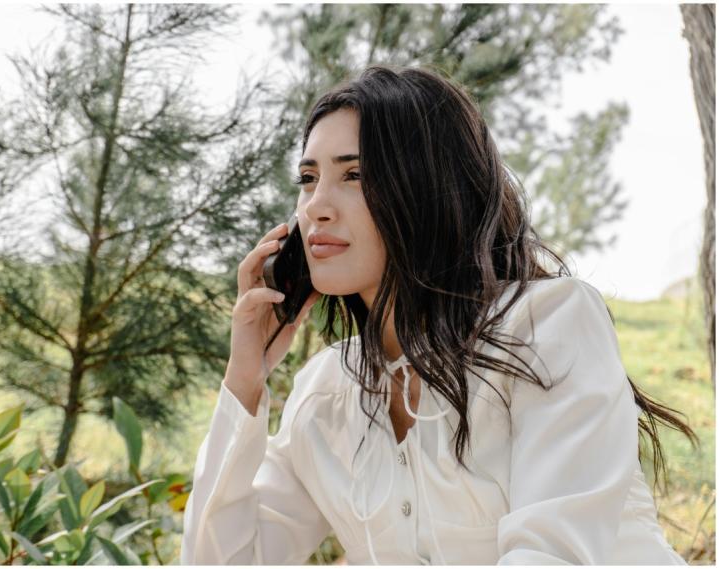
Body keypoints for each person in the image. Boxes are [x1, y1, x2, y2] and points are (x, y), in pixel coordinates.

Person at [179, 64, 698, 565]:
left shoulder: (548, 325)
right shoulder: (327, 395)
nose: (317, 205)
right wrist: (245, 379)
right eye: (309, 178)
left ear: (427, 187)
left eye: (354, 175)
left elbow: (551, 555)